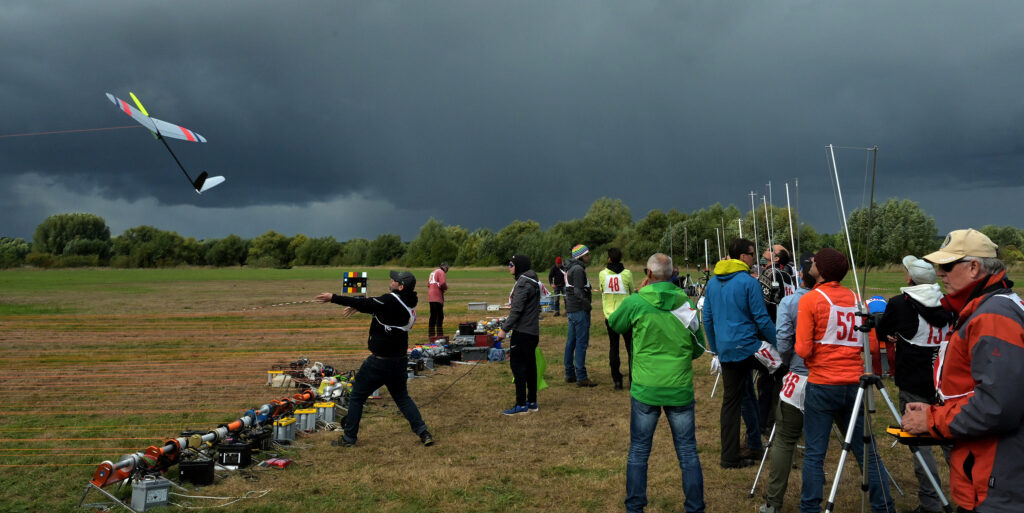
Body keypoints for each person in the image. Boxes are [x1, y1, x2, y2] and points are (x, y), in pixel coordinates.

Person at [902, 229, 1024, 513]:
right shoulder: (991, 307)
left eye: (946, 266)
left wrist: (932, 420)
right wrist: (938, 409)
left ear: (973, 267)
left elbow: (998, 406)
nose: (939, 274)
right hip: (991, 475)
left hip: (996, 482)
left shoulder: (993, 316)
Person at [795, 248, 895, 513]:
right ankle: (884, 506)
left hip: (823, 384)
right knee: (868, 452)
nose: (811, 263)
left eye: (814, 261)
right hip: (855, 385)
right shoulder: (857, 299)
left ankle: (809, 508)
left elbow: (803, 350)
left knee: (815, 454)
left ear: (821, 270)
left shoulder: (810, 300)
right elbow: (872, 347)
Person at [608, 253, 705, 513]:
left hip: (645, 387)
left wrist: (638, 295)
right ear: (673, 274)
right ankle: (695, 507)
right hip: (679, 387)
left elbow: (616, 323)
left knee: (639, 451)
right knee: (687, 452)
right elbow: (698, 348)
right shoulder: (685, 304)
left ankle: (635, 507)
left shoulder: (637, 301)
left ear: (648, 274)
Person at [315, 270, 434, 448]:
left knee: (356, 397)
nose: (391, 280)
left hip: (379, 362)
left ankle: (349, 438)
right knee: (402, 398)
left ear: (400, 286)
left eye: (394, 280)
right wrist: (361, 306)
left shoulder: (390, 300)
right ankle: (423, 432)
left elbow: (368, 302)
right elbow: (376, 307)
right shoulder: (407, 302)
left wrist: (333, 297)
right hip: (399, 361)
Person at [876, 255, 952, 513]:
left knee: (920, 445)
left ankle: (931, 502)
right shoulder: (948, 302)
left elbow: (881, 330)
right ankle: (969, 495)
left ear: (909, 279)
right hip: (944, 381)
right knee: (952, 441)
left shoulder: (899, 303)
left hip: (914, 382)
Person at [703, 237, 777, 468]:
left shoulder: (713, 283)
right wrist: (781, 344)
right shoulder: (748, 282)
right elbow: (762, 319)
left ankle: (733, 454)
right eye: (753, 254)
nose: (755, 259)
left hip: (726, 350)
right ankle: (781, 435)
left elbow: (707, 318)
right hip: (748, 348)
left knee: (733, 401)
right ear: (743, 256)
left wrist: (715, 348)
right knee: (782, 377)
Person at [761, 252, 813, 513]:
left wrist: (787, 361)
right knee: (818, 438)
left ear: (801, 275)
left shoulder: (791, 303)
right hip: (836, 378)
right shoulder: (848, 300)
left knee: (784, 438)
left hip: (800, 374)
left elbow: (783, 340)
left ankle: (773, 501)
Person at [496, 255, 542, 415]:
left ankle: (521, 404)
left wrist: (504, 330)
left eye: (511, 264)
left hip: (522, 333)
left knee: (519, 367)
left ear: (519, 266)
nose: (509, 267)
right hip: (532, 332)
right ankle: (532, 402)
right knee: (530, 367)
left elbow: (516, 310)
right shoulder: (533, 281)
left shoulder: (523, 283)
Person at [599, 248, 635, 390]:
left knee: (614, 347)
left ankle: (617, 380)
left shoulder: (603, 274)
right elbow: (632, 291)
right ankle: (633, 380)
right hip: (626, 316)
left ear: (609, 259)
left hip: (610, 316)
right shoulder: (627, 274)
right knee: (630, 349)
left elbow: (602, 290)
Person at [564, 244, 597, 387]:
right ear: (580, 256)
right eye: (587, 254)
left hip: (572, 310)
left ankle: (569, 373)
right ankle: (581, 377)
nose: (589, 256)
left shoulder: (571, 267)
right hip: (579, 310)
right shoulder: (578, 269)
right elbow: (578, 291)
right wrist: (587, 305)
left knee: (571, 342)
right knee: (581, 343)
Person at [427, 262, 449, 339]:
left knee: (432, 316)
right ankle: (440, 335)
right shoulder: (441, 272)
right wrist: (446, 288)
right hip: (437, 296)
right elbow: (442, 283)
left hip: (431, 296)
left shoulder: (433, 272)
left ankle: (431, 335)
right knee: (440, 316)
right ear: (445, 267)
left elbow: (428, 284)